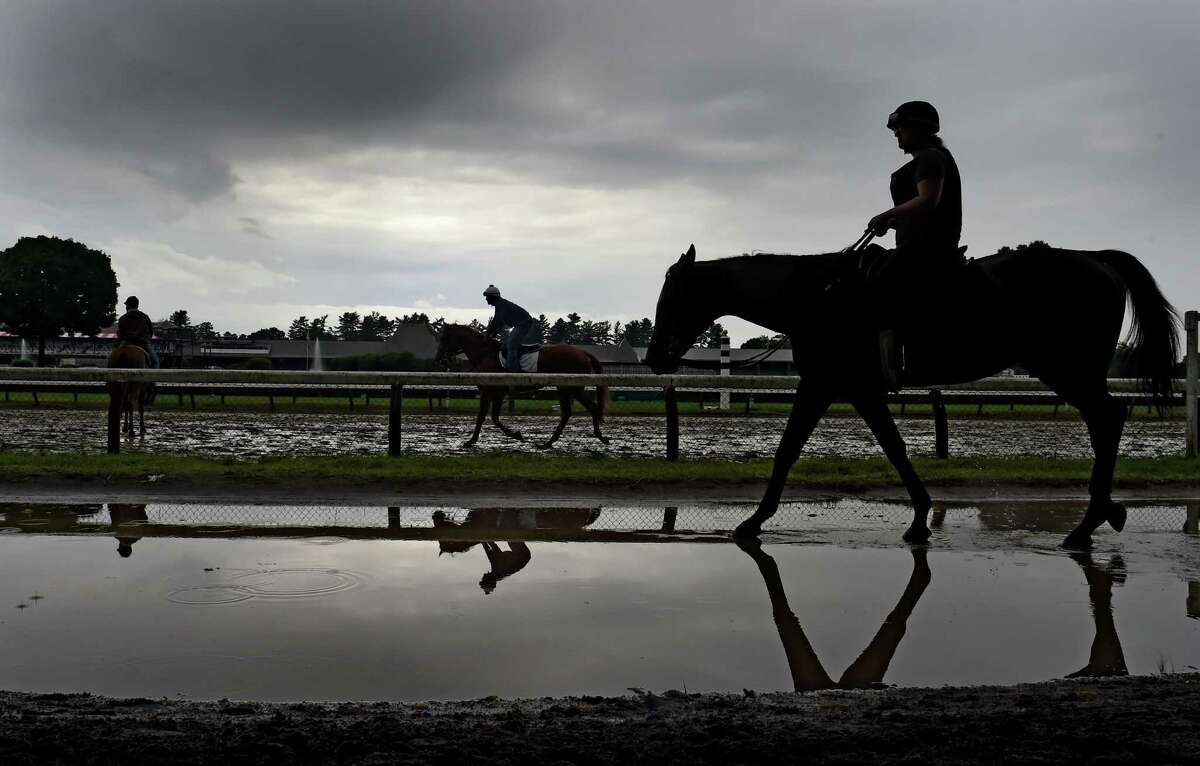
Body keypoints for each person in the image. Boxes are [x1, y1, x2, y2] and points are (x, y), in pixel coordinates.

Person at [864, 101, 963, 388]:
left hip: (928, 247)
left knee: (884, 284)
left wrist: (887, 214)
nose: (897, 134)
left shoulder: (931, 158)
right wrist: (892, 222)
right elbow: (920, 211)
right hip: (916, 240)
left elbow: (927, 200)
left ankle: (899, 366)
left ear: (920, 129)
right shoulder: (927, 159)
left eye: (901, 128)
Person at [483, 285, 538, 372]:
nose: (486, 299)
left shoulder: (501, 305)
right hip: (519, 325)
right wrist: (492, 335)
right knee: (505, 346)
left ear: (493, 297)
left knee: (511, 345)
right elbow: (500, 323)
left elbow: (495, 322)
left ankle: (514, 372)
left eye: (487, 297)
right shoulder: (500, 305)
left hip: (524, 324)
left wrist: (487, 335)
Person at [117, 296, 159, 368]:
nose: (126, 307)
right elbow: (151, 332)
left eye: (126, 305)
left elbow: (121, 335)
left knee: (113, 357)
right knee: (155, 362)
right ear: (137, 305)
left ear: (128, 306)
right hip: (143, 343)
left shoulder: (122, 318)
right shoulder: (145, 317)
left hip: (127, 342)